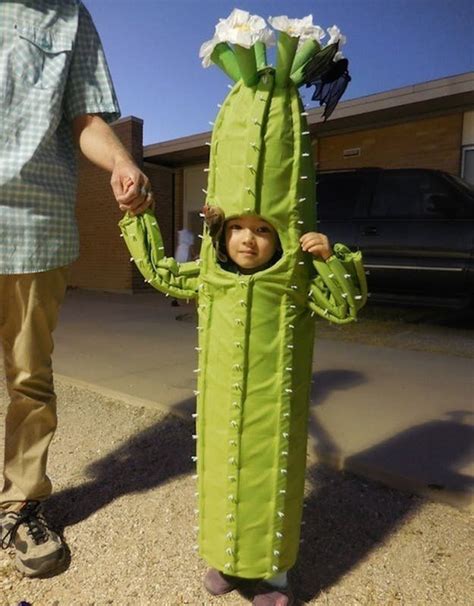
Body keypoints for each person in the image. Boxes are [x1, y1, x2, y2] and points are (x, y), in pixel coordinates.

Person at [0, 0, 152, 577]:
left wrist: (120, 162)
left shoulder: (70, 17)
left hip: (33, 228)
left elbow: (86, 119)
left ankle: (22, 503)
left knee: (28, 378)